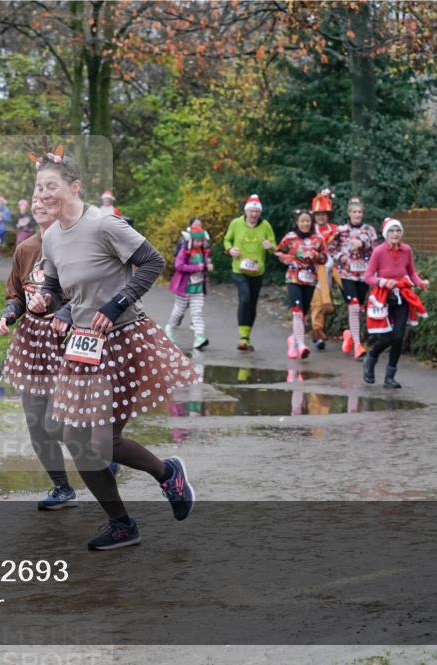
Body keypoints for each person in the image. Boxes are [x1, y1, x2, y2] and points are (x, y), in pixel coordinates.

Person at [27, 147, 201, 551]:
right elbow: (56, 288)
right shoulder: (50, 238)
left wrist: (114, 304)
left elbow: (153, 262)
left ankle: (167, 473)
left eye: (51, 185)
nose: (44, 193)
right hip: (83, 347)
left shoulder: (104, 224)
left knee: (104, 442)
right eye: (39, 187)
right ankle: (122, 523)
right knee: (75, 439)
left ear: (74, 187)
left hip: (124, 340)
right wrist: (47, 304)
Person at [0, 195, 76, 509]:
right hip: (31, 346)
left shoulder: (75, 248)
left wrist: (64, 313)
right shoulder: (25, 249)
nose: (39, 204)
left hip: (66, 344)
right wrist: (8, 315)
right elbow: (15, 293)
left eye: (48, 200)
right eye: (35, 200)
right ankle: (62, 487)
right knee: (36, 425)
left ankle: (104, 454)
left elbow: (90, 292)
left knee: (56, 423)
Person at [362, 218, 430, 388]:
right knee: (386, 337)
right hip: (383, 297)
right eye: (391, 231)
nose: (395, 234)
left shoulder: (406, 250)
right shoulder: (378, 251)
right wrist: (384, 282)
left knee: (399, 337)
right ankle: (371, 358)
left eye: (398, 231)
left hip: (402, 296)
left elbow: (411, 273)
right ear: (386, 234)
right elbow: (368, 277)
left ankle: (390, 377)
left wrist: (421, 283)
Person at [223, 194, 276, 350]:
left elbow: (274, 245)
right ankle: (241, 337)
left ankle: (246, 337)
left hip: (257, 272)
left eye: (257, 212)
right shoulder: (236, 223)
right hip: (239, 269)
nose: (254, 215)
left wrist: (270, 246)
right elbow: (227, 239)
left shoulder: (265, 225)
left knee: (252, 304)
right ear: (246, 211)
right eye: (251, 211)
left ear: (260, 213)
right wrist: (230, 249)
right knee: (245, 299)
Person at [275, 209, 328, 359]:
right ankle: (301, 345)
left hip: (310, 279)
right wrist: (291, 259)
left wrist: (314, 254)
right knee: (297, 310)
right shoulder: (290, 237)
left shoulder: (318, 239)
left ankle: (293, 340)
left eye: (308, 221)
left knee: (303, 313)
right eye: (302, 221)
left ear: (311, 223)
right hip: (293, 278)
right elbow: (278, 252)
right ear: (297, 222)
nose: (305, 224)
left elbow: (325, 258)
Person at [329, 196, 378, 359]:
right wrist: (340, 256)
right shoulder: (341, 230)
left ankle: (350, 334)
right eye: (354, 212)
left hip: (364, 275)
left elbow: (376, 250)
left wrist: (363, 245)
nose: (357, 214)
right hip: (347, 274)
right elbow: (331, 248)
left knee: (360, 309)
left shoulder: (369, 230)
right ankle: (358, 345)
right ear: (349, 213)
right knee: (354, 306)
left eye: (360, 212)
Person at [165, 217, 213, 349]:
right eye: (197, 241)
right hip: (184, 288)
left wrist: (207, 266)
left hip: (197, 289)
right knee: (178, 311)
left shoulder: (204, 252)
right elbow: (178, 266)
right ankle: (170, 328)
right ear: (191, 240)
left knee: (197, 313)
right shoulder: (184, 251)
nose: (199, 243)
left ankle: (199, 337)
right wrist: (198, 267)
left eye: (201, 241)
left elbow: (204, 265)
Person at [309, 189, 340, 350]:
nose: (321, 217)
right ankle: (317, 333)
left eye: (324, 213)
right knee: (317, 302)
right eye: (318, 214)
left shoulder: (336, 229)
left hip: (333, 268)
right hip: (314, 270)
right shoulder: (309, 229)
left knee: (349, 295)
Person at [0, 195, 11, 264]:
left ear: (4, 202)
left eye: (1, 201)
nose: (0, 203)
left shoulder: (7, 210)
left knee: (1, 244)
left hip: (4, 229)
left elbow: (9, 220)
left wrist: (3, 217)